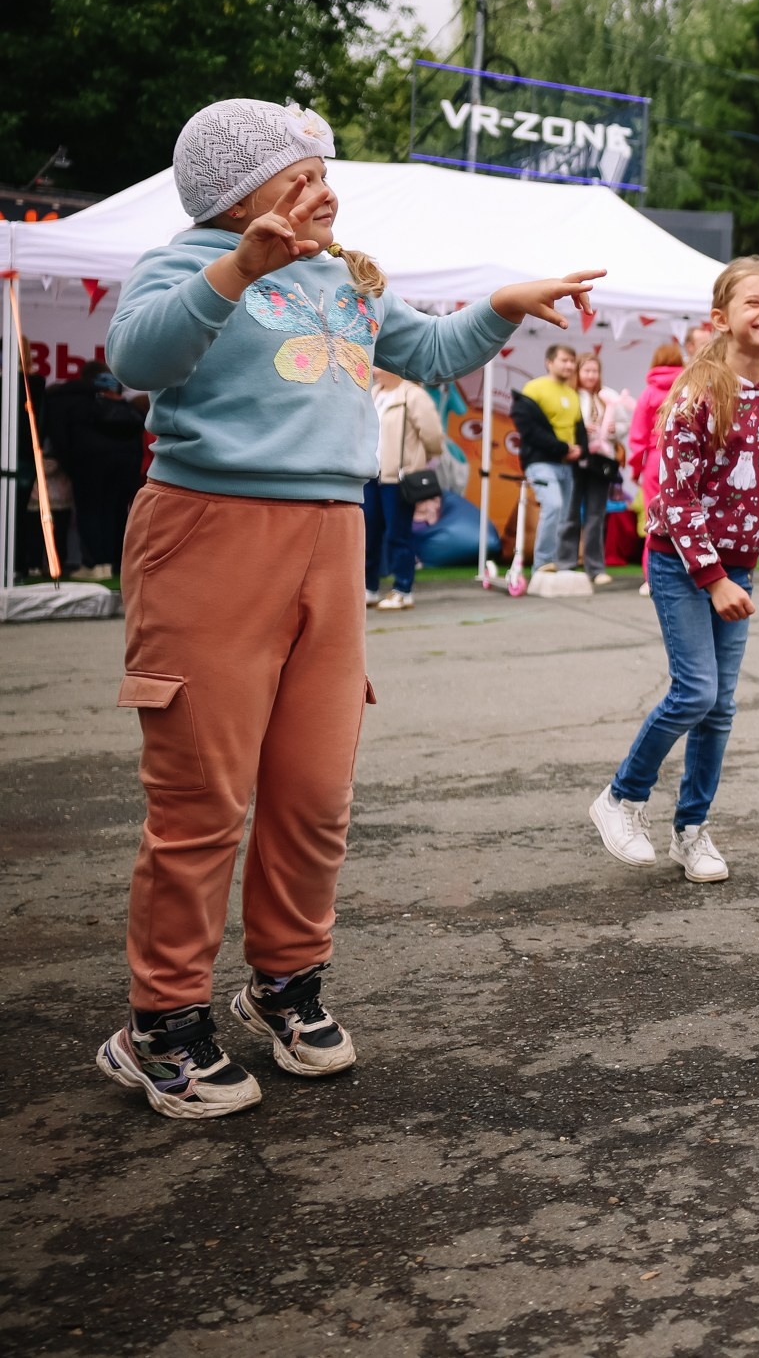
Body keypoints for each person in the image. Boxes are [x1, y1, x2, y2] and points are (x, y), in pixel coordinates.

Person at [96, 97, 596, 1118]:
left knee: (313, 789)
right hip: (209, 534)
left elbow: (432, 352)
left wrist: (504, 302)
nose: (327, 192)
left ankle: (285, 984)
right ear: (241, 197)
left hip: (332, 541)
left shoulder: (347, 277)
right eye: (305, 175)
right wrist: (239, 270)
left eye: (326, 174)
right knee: (202, 800)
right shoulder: (186, 262)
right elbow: (137, 359)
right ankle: (159, 1027)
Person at [589, 259, 759, 885]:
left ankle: (691, 831)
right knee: (696, 692)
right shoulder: (696, 393)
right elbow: (673, 499)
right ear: (721, 319)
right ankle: (621, 798)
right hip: (682, 565)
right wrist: (713, 580)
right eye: (754, 303)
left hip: (738, 571)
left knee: (719, 708)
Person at [51, 363, 147, 576]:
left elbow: (60, 439)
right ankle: (112, 564)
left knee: (91, 512)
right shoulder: (128, 408)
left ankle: (94, 563)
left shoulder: (71, 400)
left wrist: (70, 464)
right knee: (115, 513)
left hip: (88, 465)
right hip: (123, 468)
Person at [366, 365, 443, 612]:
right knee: (368, 534)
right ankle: (369, 588)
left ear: (393, 366)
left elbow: (433, 438)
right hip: (371, 475)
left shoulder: (413, 394)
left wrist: (416, 461)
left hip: (398, 478)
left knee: (398, 534)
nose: (374, 369)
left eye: (379, 364)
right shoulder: (374, 393)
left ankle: (403, 590)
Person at [509, 344, 582, 574]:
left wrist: (580, 449)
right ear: (549, 362)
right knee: (554, 505)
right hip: (540, 462)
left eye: (572, 361)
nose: (569, 365)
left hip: (567, 464)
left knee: (565, 516)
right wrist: (561, 447)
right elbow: (527, 426)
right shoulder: (534, 388)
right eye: (564, 360)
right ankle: (542, 563)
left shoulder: (572, 394)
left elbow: (577, 429)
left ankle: (557, 564)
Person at [628, 340, 686, 597]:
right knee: (685, 516)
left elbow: (637, 437)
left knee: (654, 520)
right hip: (683, 459)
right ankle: (688, 572)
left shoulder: (649, 394)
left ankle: (652, 577)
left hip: (655, 460)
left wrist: (635, 470)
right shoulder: (688, 389)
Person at [567, 353, 620, 585]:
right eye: (586, 371)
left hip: (600, 462)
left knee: (596, 515)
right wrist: (579, 429)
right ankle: (566, 565)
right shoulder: (569, 395)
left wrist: (613, 430)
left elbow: (624, 425)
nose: (590, 376)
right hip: (575, 459)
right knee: (569, 513)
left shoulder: (607, 396)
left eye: (594, 371)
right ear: (578, 372)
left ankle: (595, 568)